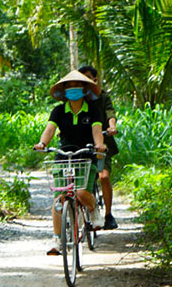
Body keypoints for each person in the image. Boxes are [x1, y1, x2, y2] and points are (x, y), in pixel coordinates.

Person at [34, 70, 107, 256]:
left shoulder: (93, 110)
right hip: (63, 156)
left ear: (84, 89)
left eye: (77, 85)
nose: (73, 89)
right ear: (64, 90)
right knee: (59, 199)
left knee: (82, 192)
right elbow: (50, 130)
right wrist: (43, 143)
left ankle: (93, 210)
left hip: (84, 156)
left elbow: (97, 131)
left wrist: (99, 146)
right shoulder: (59, 111)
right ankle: (58, 240)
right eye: (69, 86)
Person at [78, 65, 119, 230]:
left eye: (89, 77)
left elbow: (110, 114)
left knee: (104, 177)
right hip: (81, 142)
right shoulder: (78, 97)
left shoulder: (102, 97)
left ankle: (108, 215)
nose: (86, 81)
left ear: (95, 79)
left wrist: (112, 127)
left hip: (101, 144)